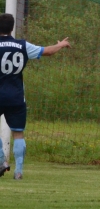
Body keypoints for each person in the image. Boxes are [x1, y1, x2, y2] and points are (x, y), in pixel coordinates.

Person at [0, 13, 71, 180]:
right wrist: (60, 45)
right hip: (17, 97)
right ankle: (19, 172)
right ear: (12, 28)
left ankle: (2, 161)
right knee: (18, 133)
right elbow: (47, 51)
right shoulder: (22, 45)